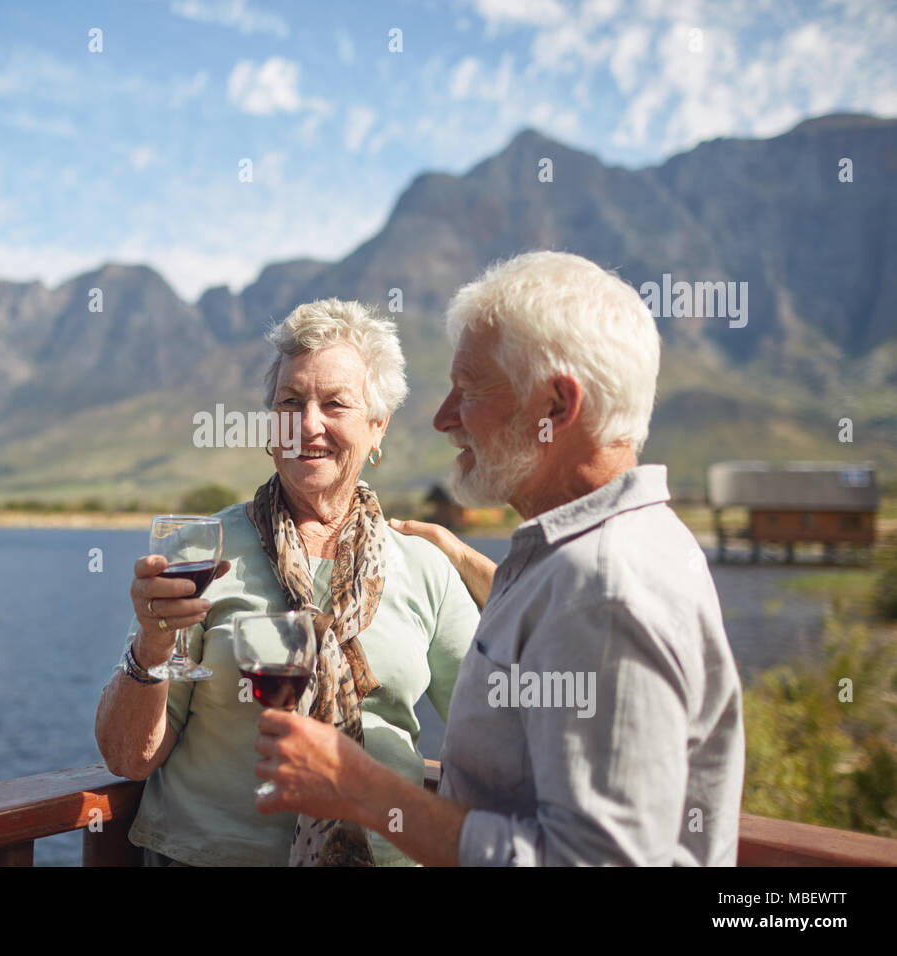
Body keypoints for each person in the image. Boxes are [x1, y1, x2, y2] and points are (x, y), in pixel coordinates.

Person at [254, 252, 746, 866]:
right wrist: (466, 559)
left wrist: (361, 790)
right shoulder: (592, 564)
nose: (442, 419)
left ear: (556, 409)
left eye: (471, 391)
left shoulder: (604, 590)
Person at [94, 298, 481, 866]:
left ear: (378, 428)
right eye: (290, 402)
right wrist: (151, 646)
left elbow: (494, 731)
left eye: (335, 404)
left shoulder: (424, 567)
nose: (308, 424)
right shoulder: (201, 550)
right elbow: (128, 758)